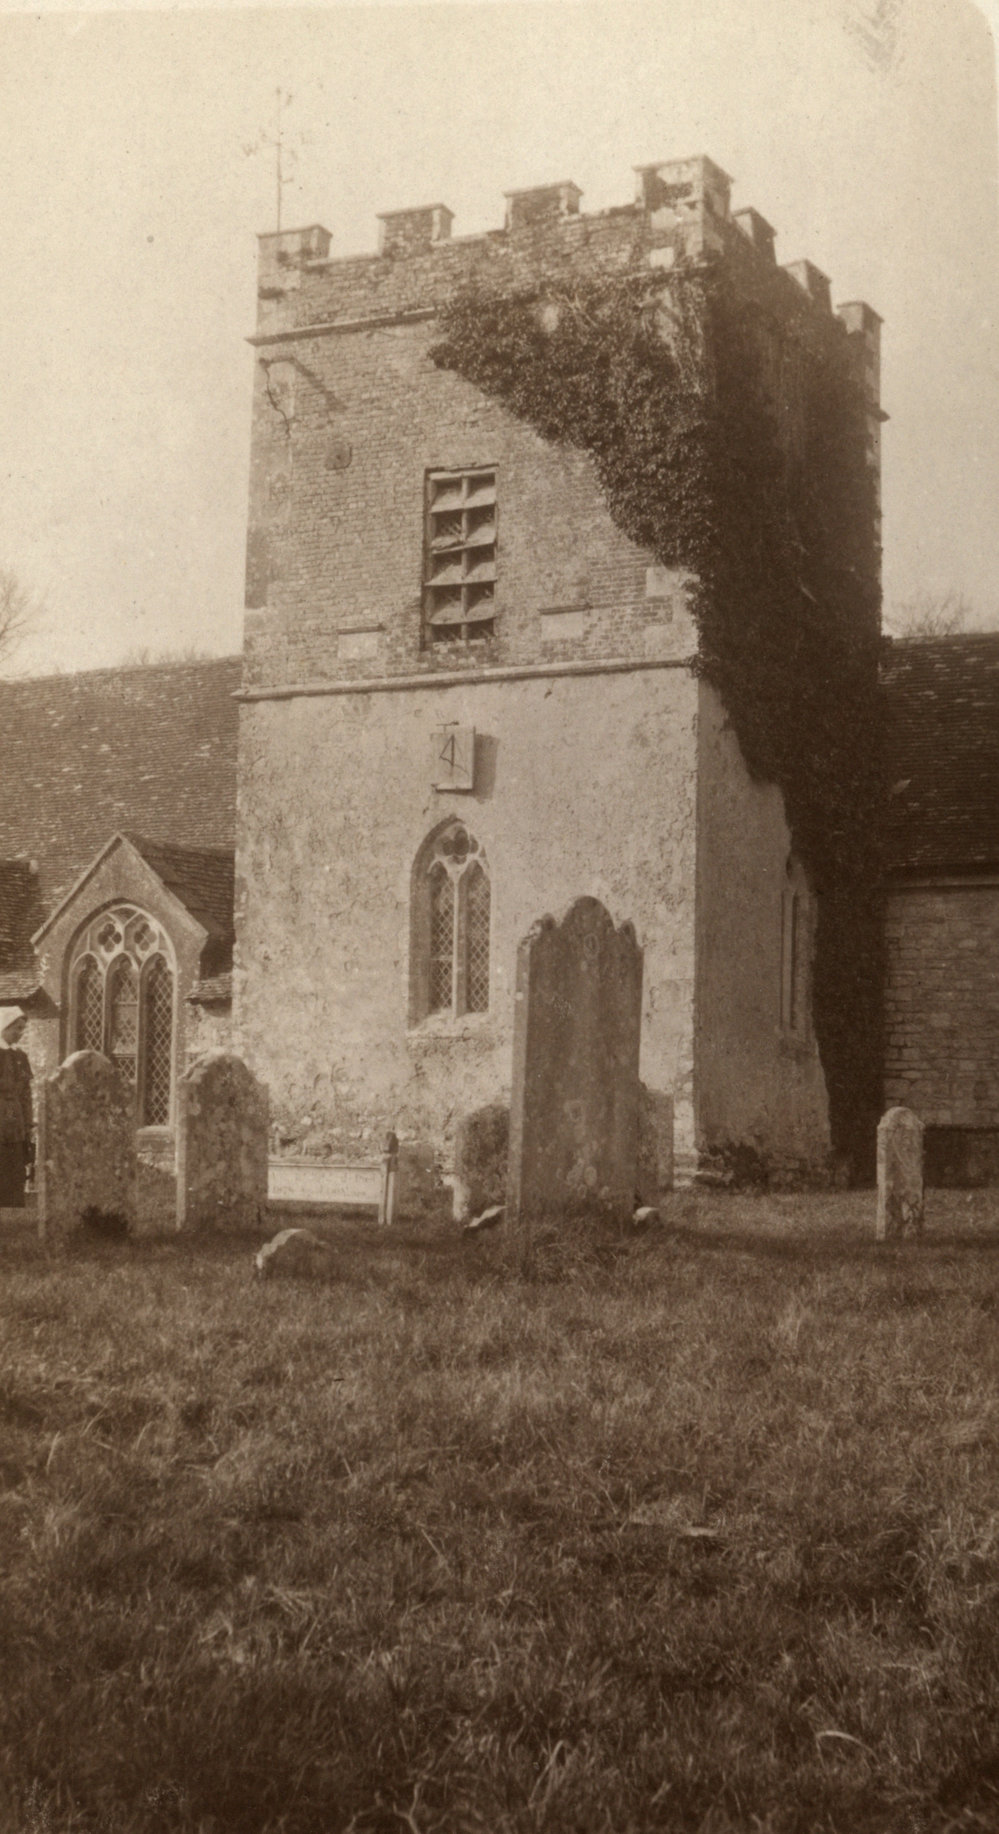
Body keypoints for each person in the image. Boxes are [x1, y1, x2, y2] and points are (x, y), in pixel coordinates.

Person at [0, 1008, 33, 1209]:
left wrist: (28, 1122)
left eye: (22, 1029)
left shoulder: (21, 1056)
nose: (20, 1033)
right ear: (4, 1027)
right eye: (16, 1029)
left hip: (15, 1118)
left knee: (14, 1162)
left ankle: (12, 1206)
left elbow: (26, 1093)